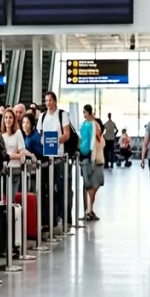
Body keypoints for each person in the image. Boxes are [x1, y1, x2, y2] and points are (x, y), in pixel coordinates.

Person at [39, 91, 74, 227]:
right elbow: (40, 134)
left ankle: (65, 216)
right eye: (46, 101)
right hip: (47, 157)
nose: (48, 103)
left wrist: (54, 142)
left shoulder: (62, 115)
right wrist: (46, 143)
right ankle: (51, 218)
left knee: (61, 188)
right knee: (48, 188)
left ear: (55, 101)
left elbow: (67, 134)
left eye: (50, 100)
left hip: (59, 156)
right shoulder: (42, 116)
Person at [78, 105, 104, 221]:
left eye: (85, 112)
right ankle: (89, 210)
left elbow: (93, 141)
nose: (84, 114)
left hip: (90, 157)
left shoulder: (89, 125)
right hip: (91, 157)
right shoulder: (89, 125)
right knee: (92, 185)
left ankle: (89, 210)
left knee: (91, 184)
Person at [2, 108, 27, 201]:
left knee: (12, 198)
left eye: (10, 117)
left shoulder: (18, 133)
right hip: (4, 170)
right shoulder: (2, 134)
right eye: (6, 117)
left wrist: (9, 156)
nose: (8, 120)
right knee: (4, 198)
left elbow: (22, 154)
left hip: (15, 169)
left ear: (13, 119)